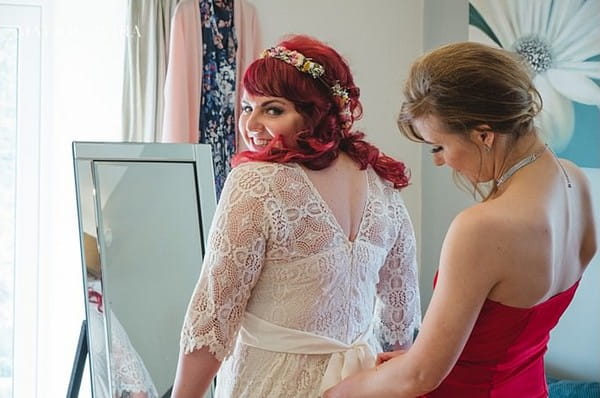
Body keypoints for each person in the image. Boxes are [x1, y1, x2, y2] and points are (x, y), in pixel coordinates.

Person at [323, 41, 597, 398]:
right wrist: (414, 361)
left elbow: (420, 376)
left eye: (439, 146)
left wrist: (336, 393)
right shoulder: (576, 182)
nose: (440, 161)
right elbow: (500, 336)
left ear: (484, 134)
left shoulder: (483, 227)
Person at [171, 34, 421, 398]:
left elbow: (214, 314)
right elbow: (401, 313)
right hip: (361, 383)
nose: (251, 124)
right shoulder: (381, 184)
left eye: (273, 110)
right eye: (246, 107)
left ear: (316, 112)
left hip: (272, 383)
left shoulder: (257, 183)